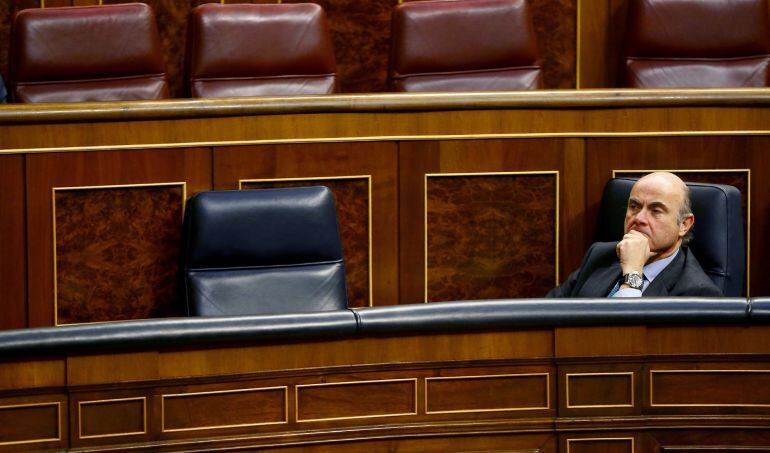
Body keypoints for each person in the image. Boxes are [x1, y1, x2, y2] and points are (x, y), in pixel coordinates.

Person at [547, 172, 722, 298]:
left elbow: (624, 342)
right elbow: (546, 314)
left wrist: (632, 273)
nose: (639, 218)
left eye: (656, 210)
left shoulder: (698, 293)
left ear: (684, 224)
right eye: (634, 206)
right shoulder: (600, 255)